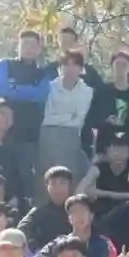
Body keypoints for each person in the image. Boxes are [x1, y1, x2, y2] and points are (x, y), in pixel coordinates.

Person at [0, 30, 51, 199]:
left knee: (26, 178)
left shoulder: (43, 73)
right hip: (3, 133)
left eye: (33, 45)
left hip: (30, 135)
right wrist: (29, 92)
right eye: (25, 44)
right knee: (2, 177)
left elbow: (41, 95)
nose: (28, 49)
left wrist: (15, 90)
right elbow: (0, 89)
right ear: (18, 46)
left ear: (39, 49)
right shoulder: (5, 65)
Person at [37, 49, 94, 187]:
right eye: (66, 64)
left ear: (81, 68)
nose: (70, 68)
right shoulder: (50, 87)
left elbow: (78, 119)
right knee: (46, 178)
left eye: (75, 64)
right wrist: (68, 117)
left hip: (72, 137)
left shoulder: (87, 91)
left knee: (68, 177)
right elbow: (47, 116)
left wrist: (59, 117)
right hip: (48, 136)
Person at [36, 194, 118, 257]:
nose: (79, 216)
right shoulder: (58, 243)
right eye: (74, 212)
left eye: (82, 211)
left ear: (91, 216)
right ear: (69, 218)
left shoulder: (103, 243)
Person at [85, 50, 129, 158]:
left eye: (124, 65)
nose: (120, 68)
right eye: (117, 64)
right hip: (105, 145)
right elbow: (91, 119)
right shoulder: (102, 91)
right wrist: (105, 120)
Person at [16, 166, 74, 252]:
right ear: (47, 187)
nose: (58, 188)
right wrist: (35, 247)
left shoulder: (77, 207)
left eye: (63, 183)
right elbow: (22, 228)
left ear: (70, 185)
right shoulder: (40, 211)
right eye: (53, 184)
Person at [78, 131, 129, 217]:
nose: (118, 153)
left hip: (128, 214)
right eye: (114, 149)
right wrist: (116, 195)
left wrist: (100, 193)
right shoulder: (99, 167)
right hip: (102, 215)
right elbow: (80, 191)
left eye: (122, 150)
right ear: (107, 151)